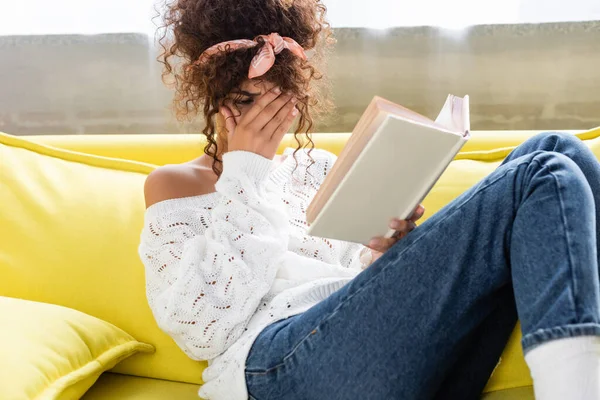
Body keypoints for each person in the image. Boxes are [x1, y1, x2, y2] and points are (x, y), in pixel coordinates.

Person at [138, 1, 600, 399]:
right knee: (545, 174)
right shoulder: (173, 185)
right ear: (209, 93)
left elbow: (351, 285)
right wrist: (243, 172)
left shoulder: (315, 167)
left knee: (559, 149)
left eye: (276, 105)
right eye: (244, 101)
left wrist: (384, 254)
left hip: (385, 352)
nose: (263, 121)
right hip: (279, 364)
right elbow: (201, 329)